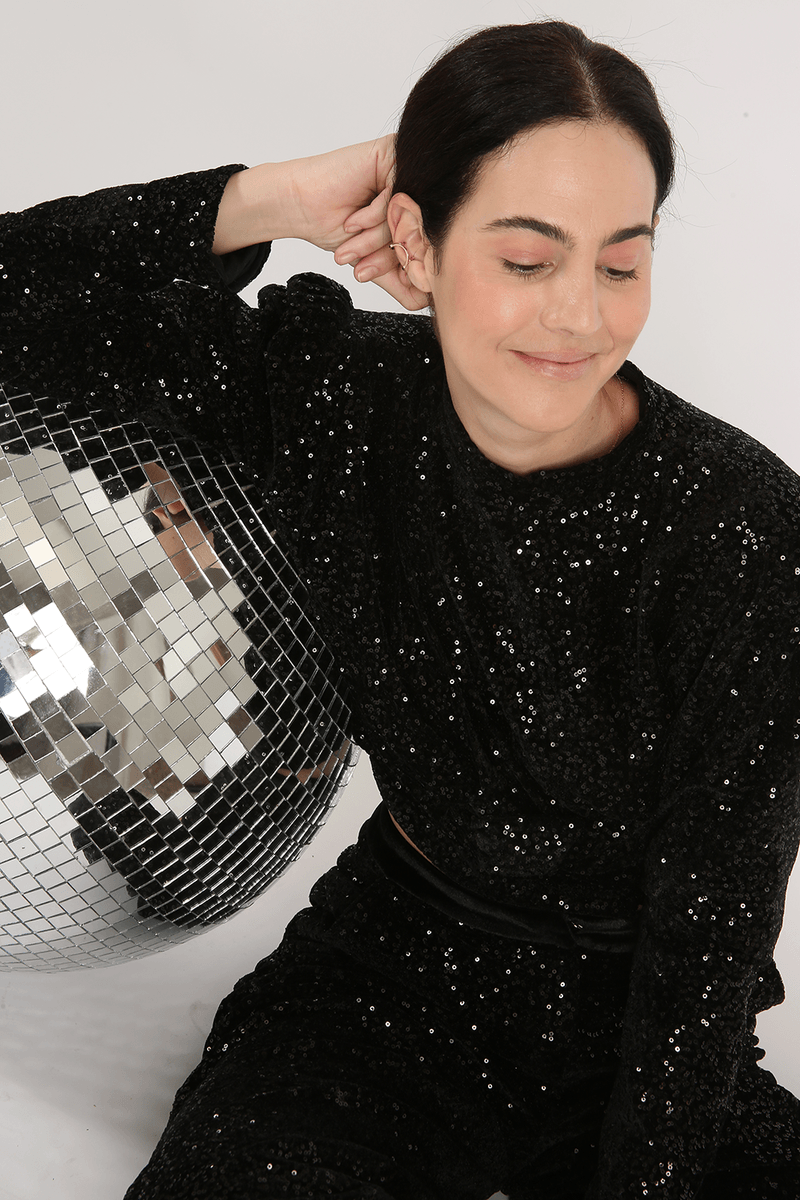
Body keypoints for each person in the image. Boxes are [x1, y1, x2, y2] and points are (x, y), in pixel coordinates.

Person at [1, 17, 799, 1199]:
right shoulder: (330, 393)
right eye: (525, 261)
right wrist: (269, 198)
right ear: (418, 244)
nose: (579, 317)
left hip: (648, 1020)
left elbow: (707, 932)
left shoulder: (743, 524)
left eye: (619, 265)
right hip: (384, 988)